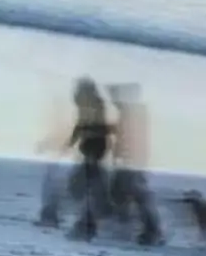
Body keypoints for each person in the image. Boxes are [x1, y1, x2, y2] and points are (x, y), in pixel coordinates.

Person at [40, 78, 117, 237]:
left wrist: (75, 143)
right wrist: (71, 143)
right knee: (88, 185)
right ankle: (77, 220)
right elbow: (82, 125)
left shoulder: (93, 105)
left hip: (93, 150)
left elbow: (89, 127)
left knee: (84, 185)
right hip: (92, 150)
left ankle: (81, 222)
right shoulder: (91, 105)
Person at [106, 82, 165, 246]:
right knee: (122, 192)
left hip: (131, 162)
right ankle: (136, 226)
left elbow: (130, 137)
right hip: (131, 161)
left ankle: (151, 230)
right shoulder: (133, 111)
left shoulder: (131, 112)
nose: (113, 101)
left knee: (137, 194)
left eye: (115, 97)